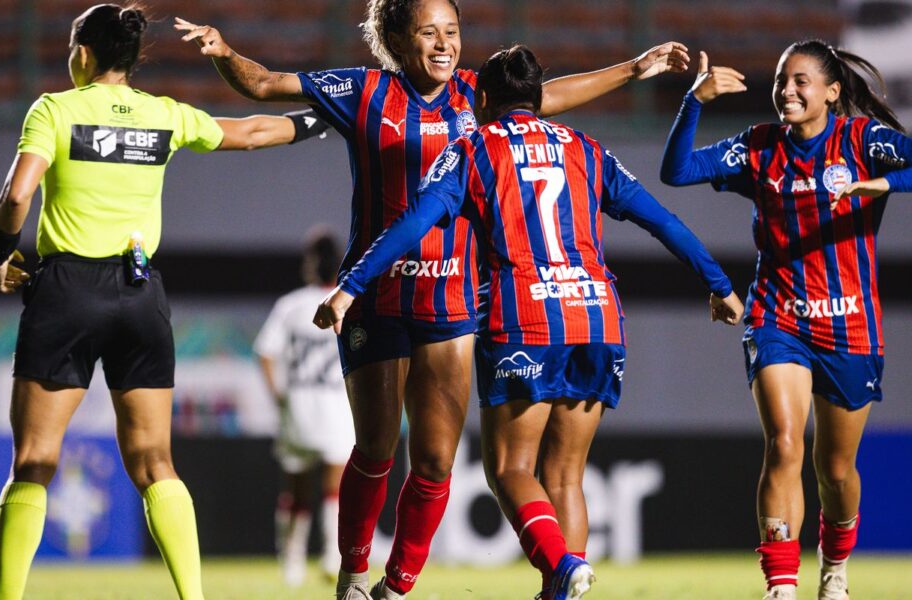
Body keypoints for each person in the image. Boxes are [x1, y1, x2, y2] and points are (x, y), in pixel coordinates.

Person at [176, 3, 691, 598]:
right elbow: (265, 85)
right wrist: (223, 54)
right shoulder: (363, 90)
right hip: (376, 295)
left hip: (450, 301)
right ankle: (353, 574)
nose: (445, 44)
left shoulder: (480, 95)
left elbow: (550, 96)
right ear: (396, 38)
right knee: (373, 447)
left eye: (453, 31)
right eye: (429, 32)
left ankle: (397, 587)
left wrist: (634, 68)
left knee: (436, 461)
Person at [315, 44, 744, 600]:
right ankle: (560, 586)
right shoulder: (586, 148)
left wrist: (351, 286)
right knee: (565, 474)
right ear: (540, 98)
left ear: (483, 98)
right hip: (597, 318)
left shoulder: (472, 147)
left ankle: (562, 567)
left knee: (510, 469)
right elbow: (662, 220)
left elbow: (412, 223)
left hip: (526, 318)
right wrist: (720, 285)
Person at [0, 5, 328, 600]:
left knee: (35, 460)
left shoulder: (56, 109)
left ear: (84, 54)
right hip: (140, 296)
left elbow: (18, 194)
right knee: (154, 462)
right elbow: (249, 133)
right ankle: (192, 597)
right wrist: (326, 118)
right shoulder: (163, 116)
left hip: (67, 291)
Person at [659, 40, 912, 600]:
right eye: (780, 80)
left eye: (800, 81)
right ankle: (780, 586)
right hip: (778, 319)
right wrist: (693, 102)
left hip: (850, 327)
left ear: (832, 92)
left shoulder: (863, 141)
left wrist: (884, 183)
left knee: (836, 472)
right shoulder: (759, 147)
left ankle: (835, 568)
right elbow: (676, 171)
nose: (787, 91)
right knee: (784, 443)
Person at [254, 227, 356, 587]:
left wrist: (278, 394)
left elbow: (265, 351)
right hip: (337, 405)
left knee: (296, 490)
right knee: (335, 487)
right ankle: (332, 555)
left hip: (297, 404)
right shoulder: (347, 301)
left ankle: (292, 561)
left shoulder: (291, 305)